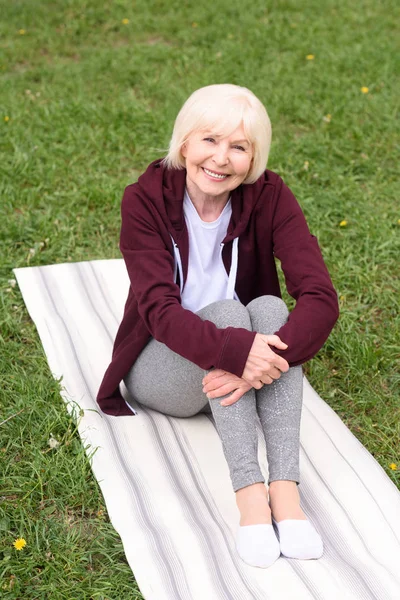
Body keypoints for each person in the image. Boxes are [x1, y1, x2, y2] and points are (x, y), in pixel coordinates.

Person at [97, 84, 339, 568]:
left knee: (269, 308)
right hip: (159, 365)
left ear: (254, 159)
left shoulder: (270, 196)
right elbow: (160, 312)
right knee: (232, 316)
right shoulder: (143, 200)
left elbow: (320, 296)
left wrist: (265, 356)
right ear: (184, 142)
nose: (221, 159)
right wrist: (237, 352)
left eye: (239, 147)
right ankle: (251, 497)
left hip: (241, 354)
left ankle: (285, 494)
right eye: (209, 140)